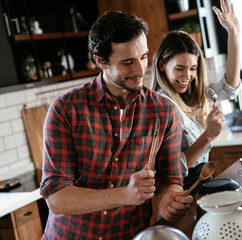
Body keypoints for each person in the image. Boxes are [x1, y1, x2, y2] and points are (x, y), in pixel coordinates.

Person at [40, 11, 193, 240]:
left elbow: (170, 180)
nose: (140, 70)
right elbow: (57, 198)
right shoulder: (65, 110)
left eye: (143, 57)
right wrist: (125, 194)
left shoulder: (164, 112)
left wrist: (168, 199)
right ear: (100, 61)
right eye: (128, 62)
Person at [152, 0, 241, 191]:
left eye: (193, 68)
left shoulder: (191, 93)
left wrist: (234, 34)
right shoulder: (161, 105)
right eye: (180, 69)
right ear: (162, 65)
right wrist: (208, 136)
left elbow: (229, 88)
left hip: (200, 187)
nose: (187, 76)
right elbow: (172, 169)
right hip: (179, 196)